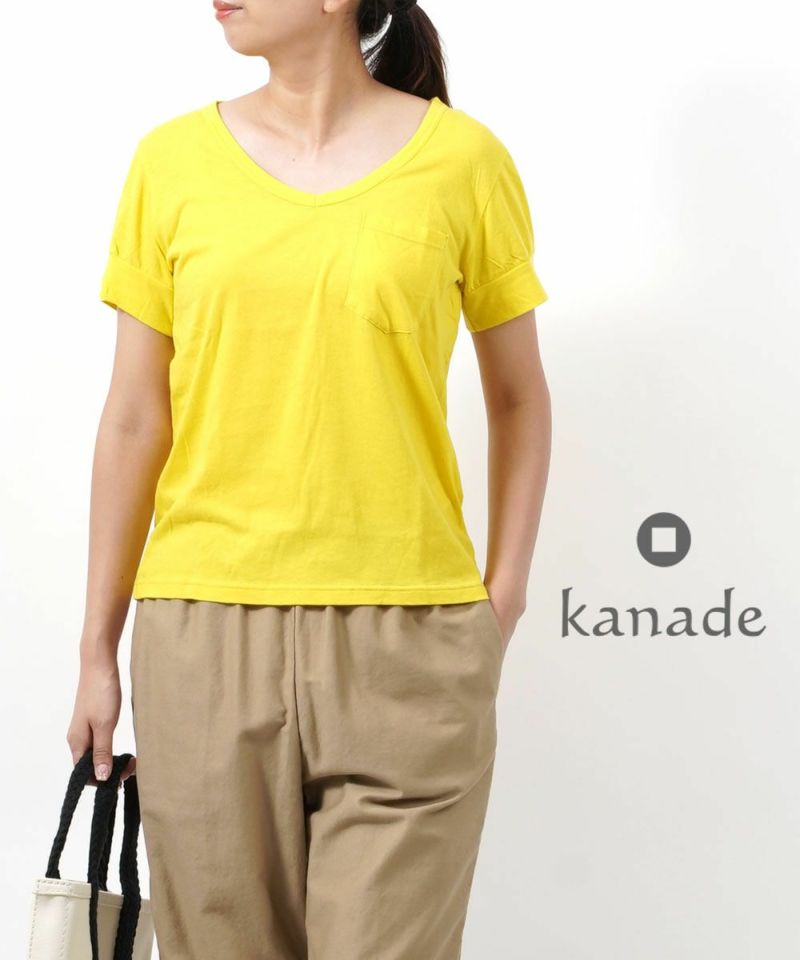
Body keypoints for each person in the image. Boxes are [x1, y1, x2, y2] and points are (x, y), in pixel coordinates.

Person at [67, 0, 552, 956]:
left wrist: (503, 597)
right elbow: (133, 418)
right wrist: (96, 649)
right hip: (204, 634)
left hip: (411, 637)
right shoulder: (170, 163)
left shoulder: (465, 162)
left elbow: (519, 397)